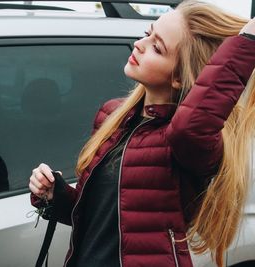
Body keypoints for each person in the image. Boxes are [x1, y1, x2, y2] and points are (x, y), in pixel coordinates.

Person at [29, 1, 255, 266]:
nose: (140, 44)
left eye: (157, 48)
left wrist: (249, 39)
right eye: (148, 33)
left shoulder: (186, 143)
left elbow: (191, 126)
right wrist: (55, 194)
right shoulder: (111, 116)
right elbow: (99, 218)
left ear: (179, 78)